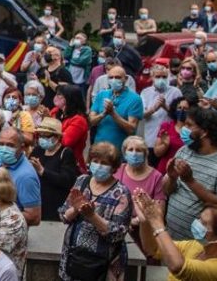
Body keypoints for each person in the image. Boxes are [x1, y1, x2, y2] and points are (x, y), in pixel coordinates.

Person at [163, 106, 217, 240]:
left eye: (189, 125)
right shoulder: (184, 151)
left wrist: (190, 181)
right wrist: (172, 179)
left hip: (205, 246)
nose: (184, 129)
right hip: (173, 238)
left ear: (205, 132)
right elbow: (167, 191)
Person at [59, 142, 133, 281]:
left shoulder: (122, 193)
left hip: (102, 264)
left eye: (104, 163)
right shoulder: (81, 181)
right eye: (95, 161)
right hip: (74, 259)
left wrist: (92, 216)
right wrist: (75, 208)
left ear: (114, 167)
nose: (99, 166)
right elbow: (64, 215)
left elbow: (118, 233)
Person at [134, 190, 217, 281]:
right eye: (199, 218)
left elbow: (178, 267)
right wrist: (145, 222)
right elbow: (153, 248)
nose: (197, 223)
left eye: (203, 223)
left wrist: (156, 222)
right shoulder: (198, 246)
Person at [115, 135, 165, 252]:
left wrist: (136, 220)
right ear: (125, 153)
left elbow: (159, 211)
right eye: (130, 150)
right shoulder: (118, 170)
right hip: (117, 227)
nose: (134, 153)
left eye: (139, 150)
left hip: (145, 232)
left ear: (145, 154)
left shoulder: (156, 176)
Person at [30, 117, 79, 221]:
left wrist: (43, 171)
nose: (42, 139)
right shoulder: (38, 150)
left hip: (55, 205)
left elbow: (67, 180)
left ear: (57, 137)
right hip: (37, 202)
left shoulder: (66, 153)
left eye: (46, 136)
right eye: (40, 135)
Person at [0, 126, 41, 226]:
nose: (4, 149)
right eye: (1, 144)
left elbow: (34, 217)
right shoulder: (1, 161)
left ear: (22, 147)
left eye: (10, 145)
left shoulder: (26, 177)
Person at [89, 65, 142, 149]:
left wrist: (113, 113)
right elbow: (91, 121)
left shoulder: (135, 99)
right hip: (99, 146)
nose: (114, 80)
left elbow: (131, 129)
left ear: (126, 79)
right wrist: (103, 114)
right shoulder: (101, 95)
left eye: (118, 77)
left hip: (120, 149)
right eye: (111, 78)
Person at [141, 64, 183, 156]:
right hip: (151, 138)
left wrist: (165, 106)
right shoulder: (145, 92)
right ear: (152, 77)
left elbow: (180, 115)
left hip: (169, 139)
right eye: (158, 76)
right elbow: (142, 115)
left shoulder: (175, 92)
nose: (161, 79)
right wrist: (154, 108)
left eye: (164, 77)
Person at [52, 84, 89, 172]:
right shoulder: (55, 111)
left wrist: (49, 128)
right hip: (53, 160)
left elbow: (66, 142)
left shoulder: (79, 120)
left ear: (70, 99)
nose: (56, 97)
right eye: (56, 94)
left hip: (71, 165)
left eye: (60, 95)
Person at [154, 97, 191, 174]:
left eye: (185, 108)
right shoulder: (166, 126)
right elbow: (157, 153)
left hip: (183, 172)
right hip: (164, 171)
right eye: (179, 108)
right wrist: (165, 145)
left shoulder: (193, 130)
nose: (181, 111)